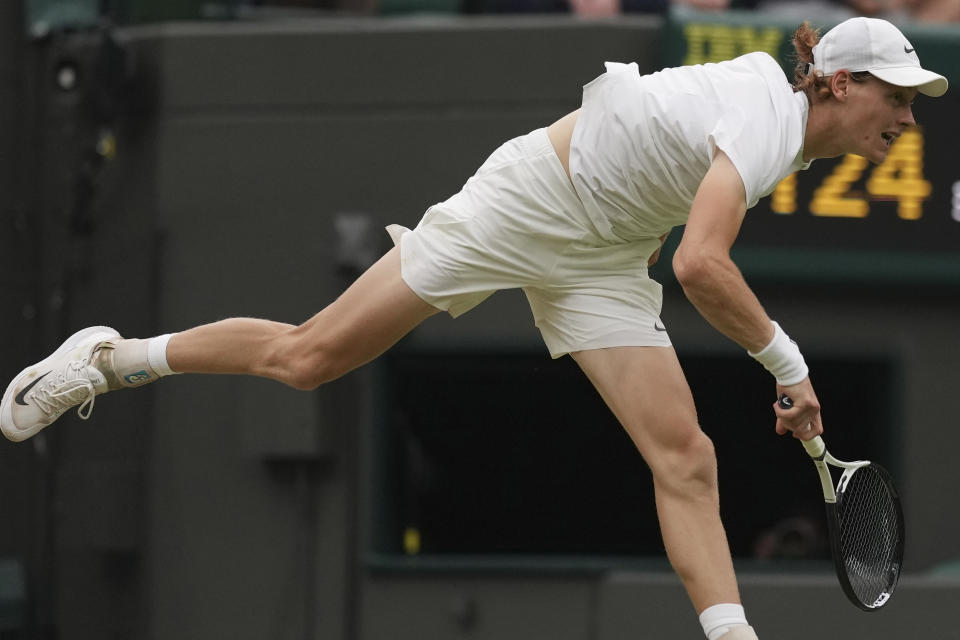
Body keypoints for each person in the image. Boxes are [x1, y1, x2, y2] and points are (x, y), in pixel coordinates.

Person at [1, 16, 946, 640]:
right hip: (530, 202)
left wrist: (777, 362)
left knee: (687, 459)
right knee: (310, 356)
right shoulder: (766, 111)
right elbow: (702, 265)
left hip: (606, 257)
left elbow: (681, 254)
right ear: (834, 84)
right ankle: (110, 358)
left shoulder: (784, 135)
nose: (906, 119)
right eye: (894, 98)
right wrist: (787, 362)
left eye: (912, 104)